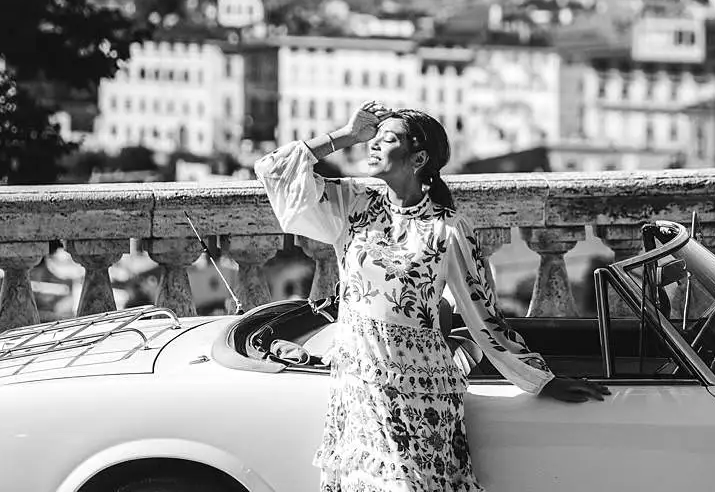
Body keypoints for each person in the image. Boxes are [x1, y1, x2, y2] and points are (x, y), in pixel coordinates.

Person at [255, 101, 608, 492]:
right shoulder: (353, 206)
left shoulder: (449, 230)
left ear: (418, 157)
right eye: (372, 138)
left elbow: (484, 316)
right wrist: (346, 135)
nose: (371, 146)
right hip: (359, 387)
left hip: (422, 393)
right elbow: (274, 169)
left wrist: (542, 380)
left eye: (385, 139)